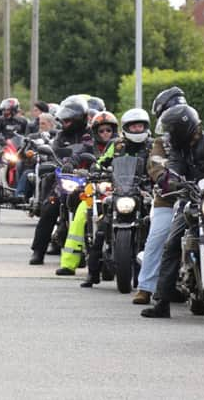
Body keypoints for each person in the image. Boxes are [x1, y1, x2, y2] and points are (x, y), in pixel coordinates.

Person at [141, 104, 204, 318]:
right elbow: (173, 171)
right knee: (171, 244)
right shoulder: (179, 150)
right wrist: (168, 181)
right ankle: (161, 302)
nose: (168, 134)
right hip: (192, 199)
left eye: (171, 130)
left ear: (182, 129)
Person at [79, 108, 153, 285]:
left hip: (145, 190)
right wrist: (95, 171)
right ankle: (93, 273)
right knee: (103, 227)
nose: (136, 130)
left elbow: (161, 166)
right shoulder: (117, 145)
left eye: (140, 126)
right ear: (126, 128)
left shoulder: (152, 145)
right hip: (121, 189)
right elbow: (102, 161)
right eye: (133, 127)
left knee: (151, 224)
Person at [132, 86, 187, 304]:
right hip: (169, 197)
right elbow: (155, 164)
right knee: (157, 237)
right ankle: (146, 287)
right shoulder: (161, 143)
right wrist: (168, 179)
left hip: (198, 198)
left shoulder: (200, 137)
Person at [29, 95, 94, 265]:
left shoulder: (90, 135)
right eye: (63, 118)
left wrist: (77, 163)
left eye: (68, 118)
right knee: (49, 208)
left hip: (86, 181)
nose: (64, 121)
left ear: (79, 117)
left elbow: (88, 149)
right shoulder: (60, 137)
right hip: (64, 181)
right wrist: (51, 162)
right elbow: (53, 151)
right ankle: (38, 251)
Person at [56, 110, 119, 276]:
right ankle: (69, 264)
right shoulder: (88, 145)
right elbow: (76, 156)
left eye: (109, 130)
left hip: (120, 191)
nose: (105, 134)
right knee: (80, 215)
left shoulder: (121, 146)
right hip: (96, 189)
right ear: (95, 132)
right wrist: (70, 164)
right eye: (101, 131)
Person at [14, 112, 57, 198]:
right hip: (36, 168)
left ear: (51, 124)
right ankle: (19, 195)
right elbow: (21, 154)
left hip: (54, 169)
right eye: (39, 123)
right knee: (27, 173)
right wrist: (27, 151)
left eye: (43, 123)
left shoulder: (57, 137)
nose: (40, 126)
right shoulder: (32, 137)